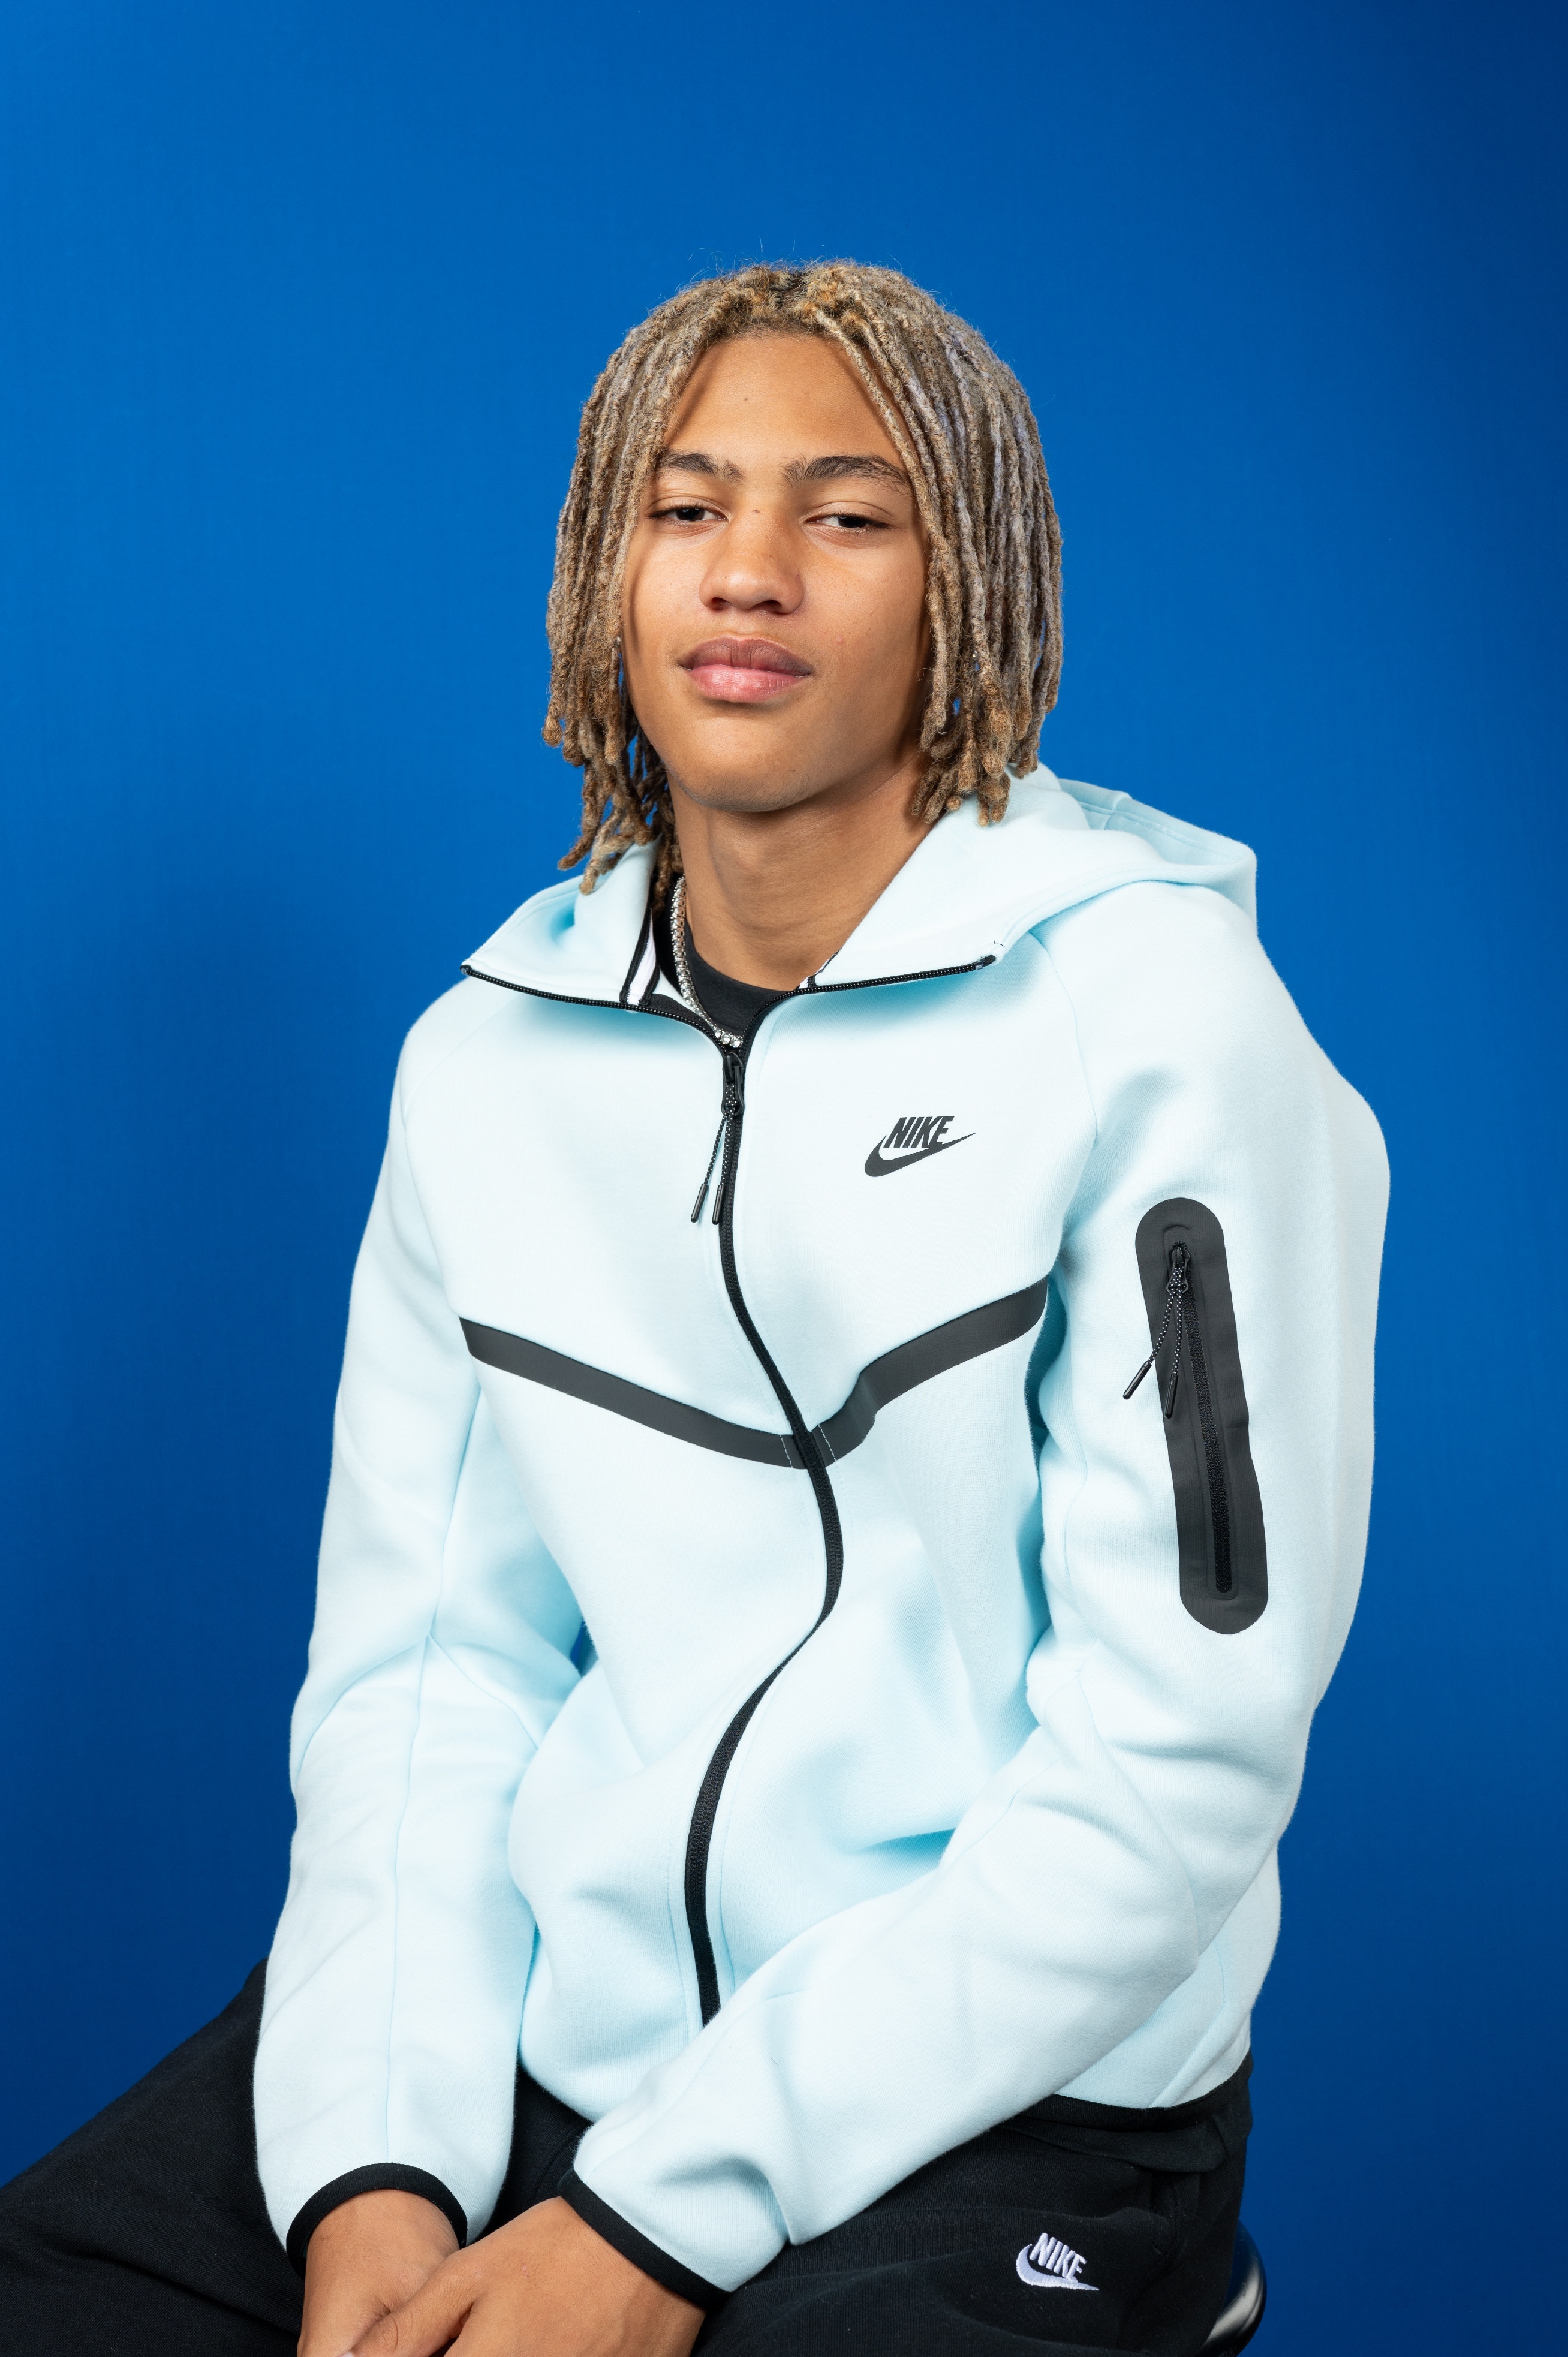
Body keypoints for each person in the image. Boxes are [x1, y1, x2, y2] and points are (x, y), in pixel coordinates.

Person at [0, 260, 1388, 2357]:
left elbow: (1172, 1762)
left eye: (847, 513)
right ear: (605, 571)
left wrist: (649, 2225)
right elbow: (427, 1677)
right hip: (563, 2031)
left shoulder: (1162, 1031)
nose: (747, 571)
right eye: (684, 505)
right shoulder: (487, 1061)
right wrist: (374, 2174)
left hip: (1014, 2098)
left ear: (971, 590)